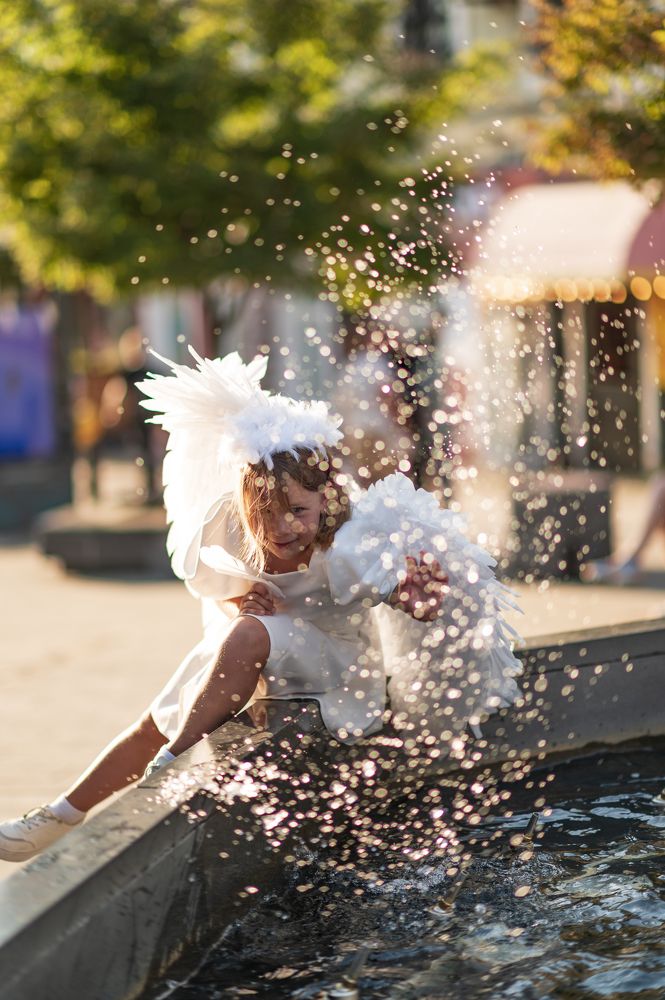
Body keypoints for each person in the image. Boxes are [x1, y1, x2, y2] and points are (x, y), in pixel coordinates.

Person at [0, 349, 522, 861]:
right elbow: (212, 592)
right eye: (265, 512)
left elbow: (398, 592)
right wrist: (235, 602)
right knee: (161, 710)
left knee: (248, 637)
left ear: (327, 500)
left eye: (298, 509)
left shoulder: (349, 541)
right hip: (256, 641)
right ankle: (62, 812)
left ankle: (172, 763)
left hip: (336, 661)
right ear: (244, 503)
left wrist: (418, 600)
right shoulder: (227, 523)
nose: (282, 527)